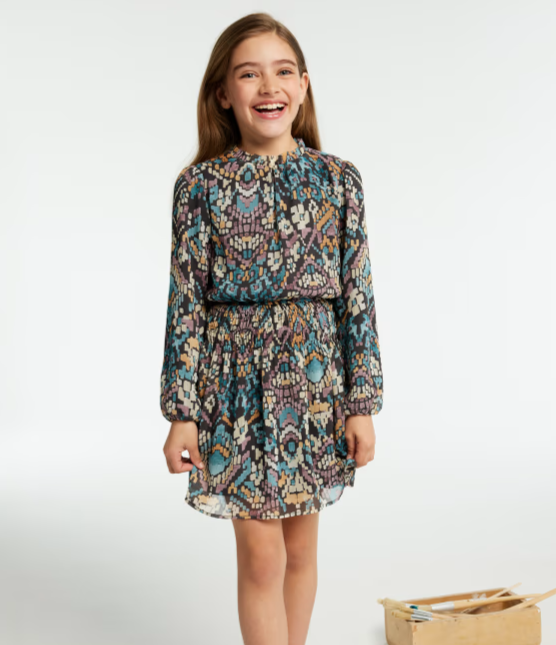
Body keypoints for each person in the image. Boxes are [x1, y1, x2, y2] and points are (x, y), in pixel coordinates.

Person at [160, 12, 384, 645]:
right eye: (248, 74)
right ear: (222, 94)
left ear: (303, 86)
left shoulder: (338, 181)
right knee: (263, 557)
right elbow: (185, 304)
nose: (268, 86)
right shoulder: (199, 187)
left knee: (300, 551)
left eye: (283, 71)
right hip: (232, 391)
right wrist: (181, 412)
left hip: (314, 390)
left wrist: (362, 404)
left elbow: (358, 297)